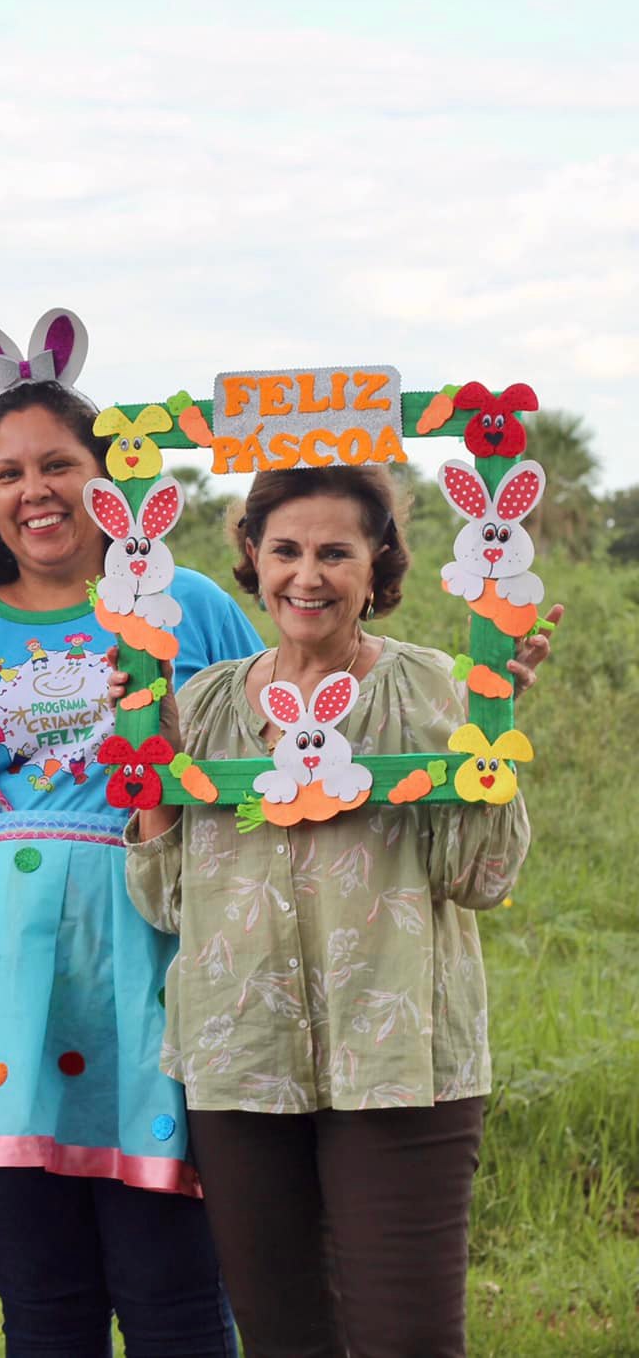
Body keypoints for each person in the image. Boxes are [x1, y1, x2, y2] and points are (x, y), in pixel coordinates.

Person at [0, 329, 259, 1356]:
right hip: (2, 1004)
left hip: (153, 986)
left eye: (56, 465)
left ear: (110, 479)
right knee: (42, 1299)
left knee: (171, 1287)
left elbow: (274, 764)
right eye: (7, 473)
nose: (33, 491)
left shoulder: (191, 605)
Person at [120, 464, 544, 1358]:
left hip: (400, 1061)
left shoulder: (433, 689)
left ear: (377, 564)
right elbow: (163, 903)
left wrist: (490, 738)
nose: (306, 576)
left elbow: (483, 877)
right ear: (252, 556)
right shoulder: (198, 707)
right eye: (285, 550)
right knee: (282, 1339)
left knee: (407, 1339)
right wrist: (145, 764)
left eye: (334, 553)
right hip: (241, 1064)